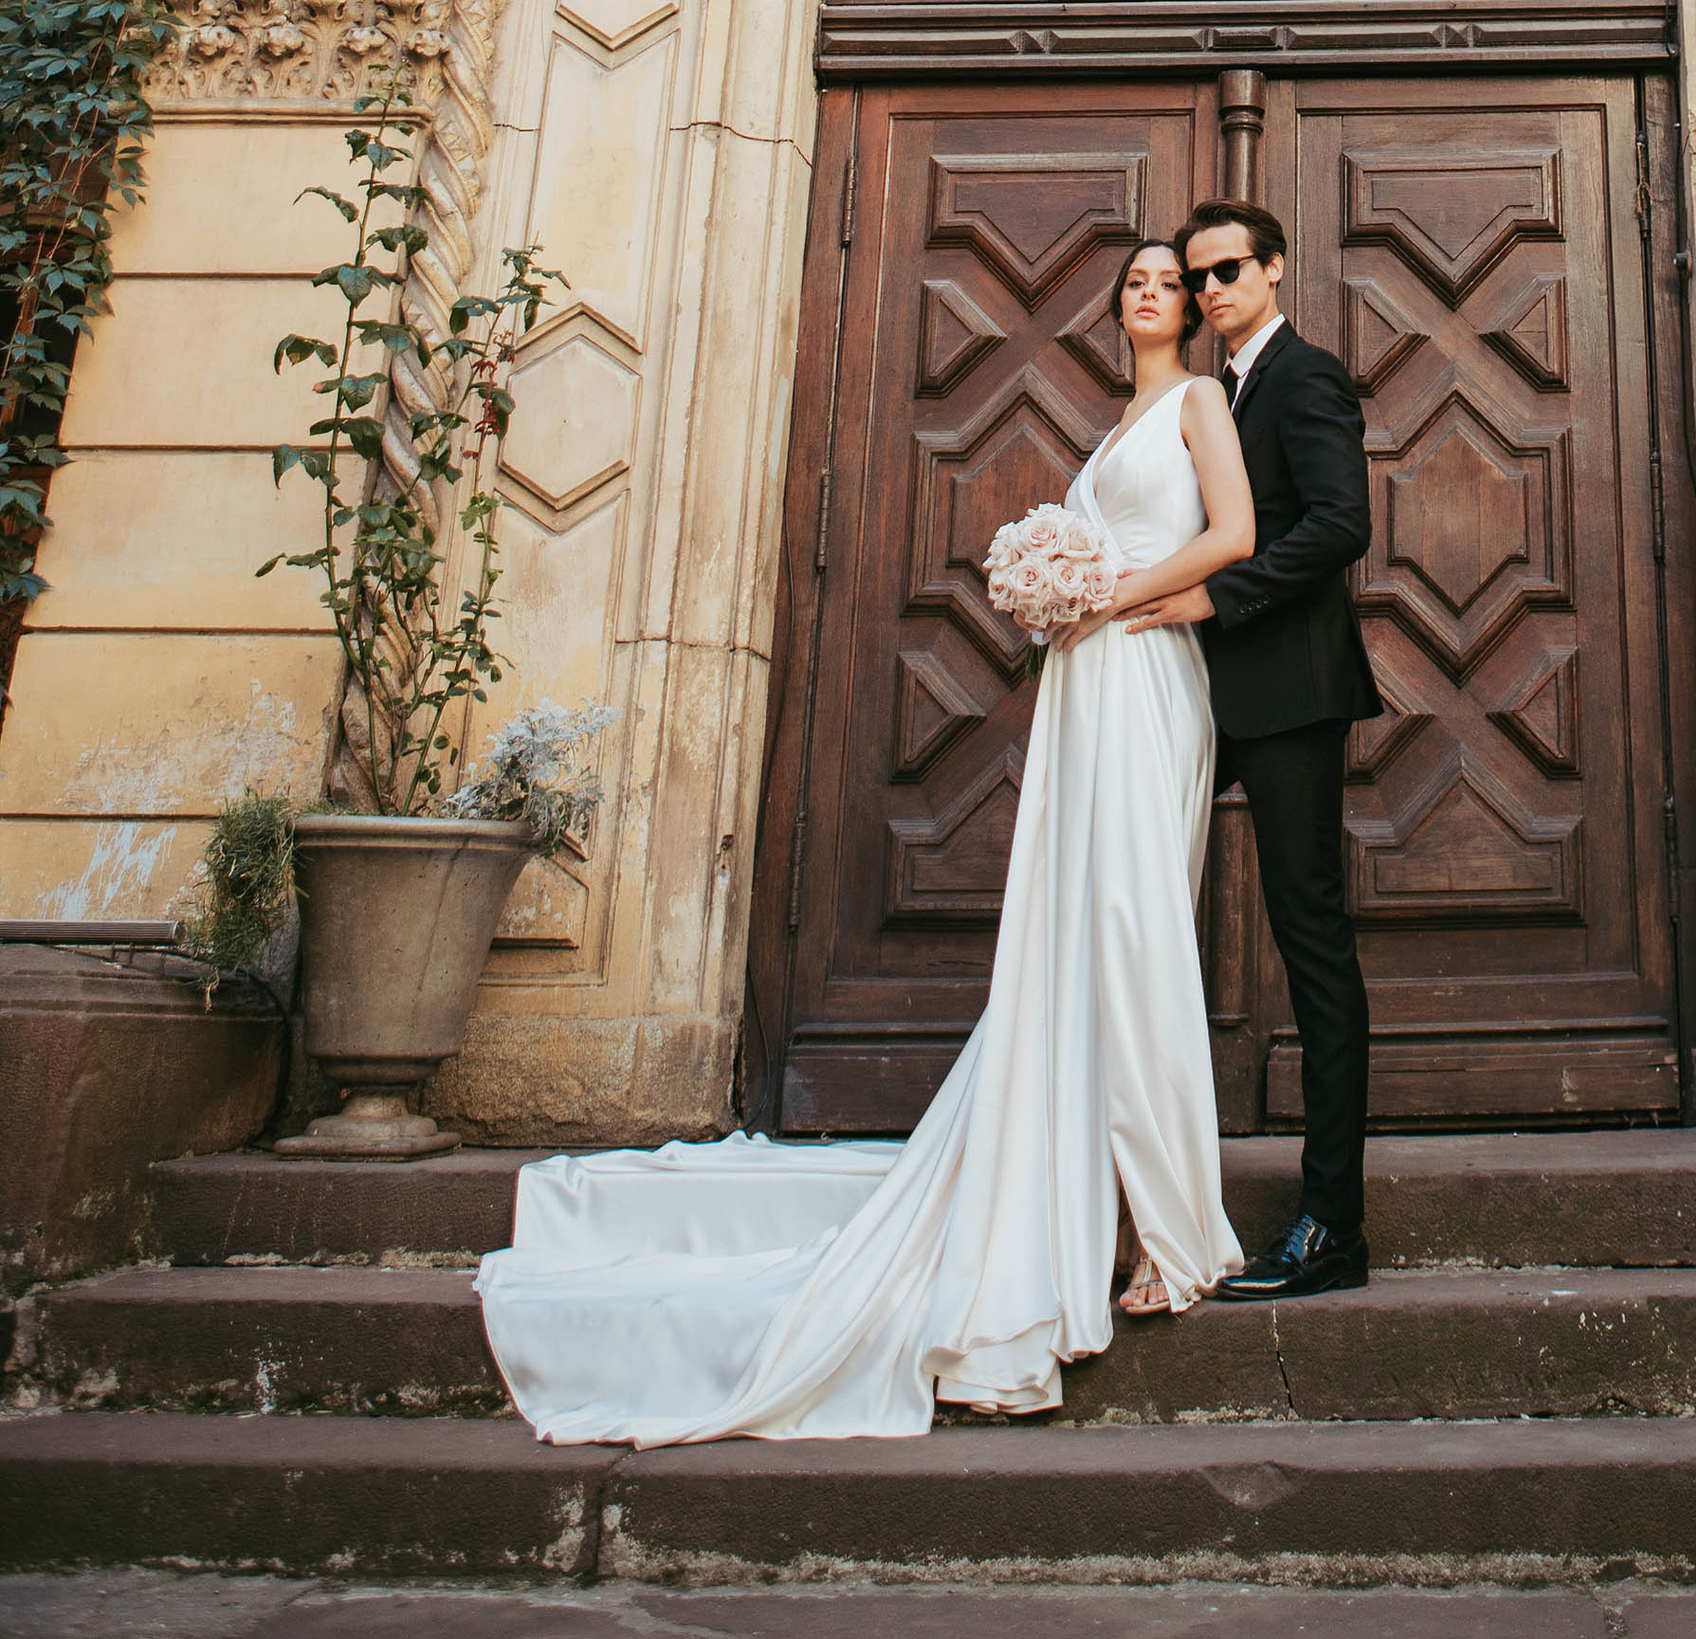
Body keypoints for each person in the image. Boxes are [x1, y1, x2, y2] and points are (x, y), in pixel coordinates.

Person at [474, 240, 1255, 1441]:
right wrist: (1065, 599)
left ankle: (1168, 1222)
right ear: (1119, 308)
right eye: (1142, 280)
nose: (1159, 291)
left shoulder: (1203, 400)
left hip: (1148, 674)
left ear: (1201, 307)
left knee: (1135, 920)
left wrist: (1105, 596)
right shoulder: (1116, 422)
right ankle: (1087, 1198)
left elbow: (1235, 536)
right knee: (1074, 924)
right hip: (1086, 680)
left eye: (1175, 278)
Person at [1133, 200, 1380, 1302]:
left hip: (1284, 696)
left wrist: (1212, 598)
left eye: (1229, 267)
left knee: (1310, 940)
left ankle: (1332, 1222)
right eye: (1197, 277)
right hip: (1191, 696)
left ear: (1276, 267)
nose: (1211, 288)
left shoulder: (1307, 375)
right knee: (1131, 913)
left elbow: (1337, 524)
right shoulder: (1205, 394)